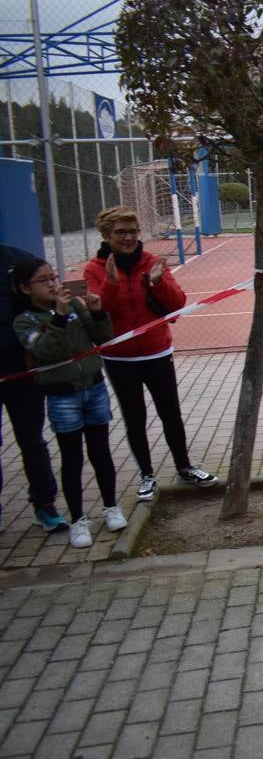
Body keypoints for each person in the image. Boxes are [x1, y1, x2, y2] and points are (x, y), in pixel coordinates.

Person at [82, 206, 217, 503]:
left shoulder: (153, 262)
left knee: (171, 412)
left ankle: (185, 466)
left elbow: (177, 305)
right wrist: (111, 282)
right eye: (121, 233)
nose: (128, 238)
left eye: (132, 232)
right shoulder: (94, 268)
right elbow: (99, 312)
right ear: (106, 235)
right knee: (135, 417)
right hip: (119, 358)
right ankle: (146, 474)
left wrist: (158, 282)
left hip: (157, 352)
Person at [11, 258, 124, 549]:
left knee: (101, 451)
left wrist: (97, 313)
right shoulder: (25, 321)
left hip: (94, 387)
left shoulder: (74, 306)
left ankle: (111, 507)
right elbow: (47, 352)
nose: (52, 283)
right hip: (62, 396)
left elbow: (103, 337)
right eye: (43, 280)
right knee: (72, 458)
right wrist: (59, 317)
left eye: (54, 277)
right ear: (25, 287)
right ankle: (78, 520)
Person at [0, 244, 64, 533]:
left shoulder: (17, 260)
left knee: (32, 441)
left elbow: (44, 302)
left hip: (23, 373)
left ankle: (45, 504)